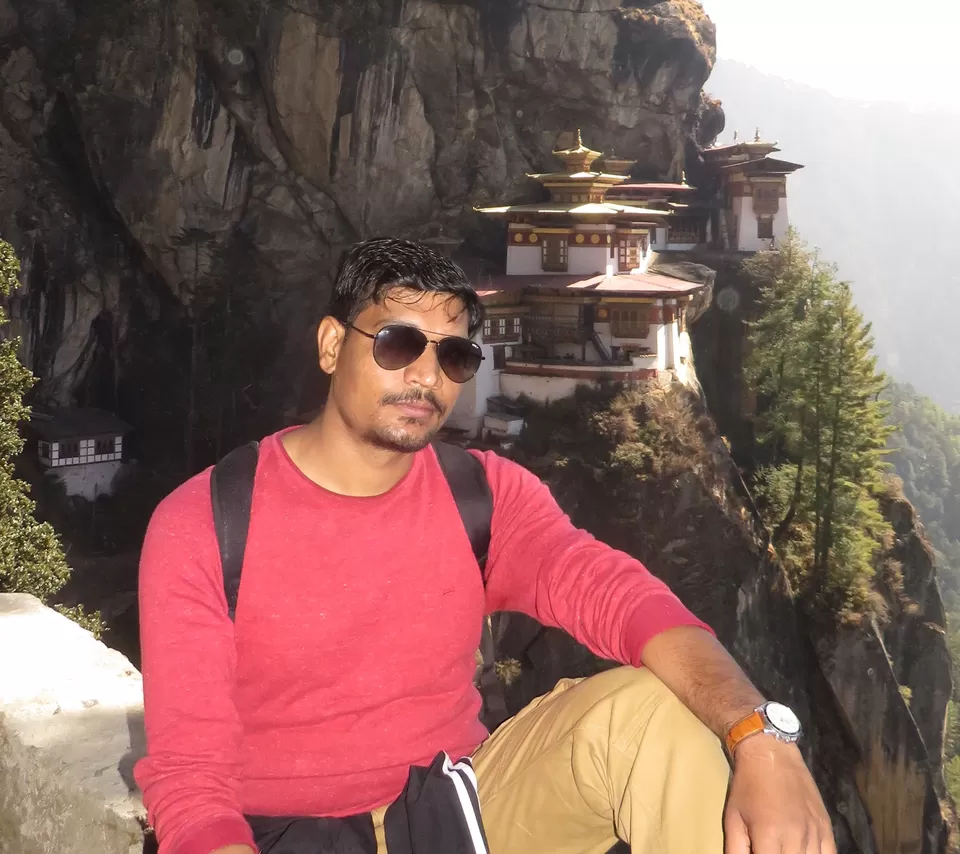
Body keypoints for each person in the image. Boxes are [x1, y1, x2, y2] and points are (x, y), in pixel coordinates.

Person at [136, 238, 836, 854]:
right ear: (330, 345)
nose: (425, 376)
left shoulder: (485, 497)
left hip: (460, 815)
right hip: (288, 835)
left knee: (654, 714)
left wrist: (760, 736)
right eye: (397, 344)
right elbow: (190, 783)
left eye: (455, 355)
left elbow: (625, 600)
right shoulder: (207, 522)